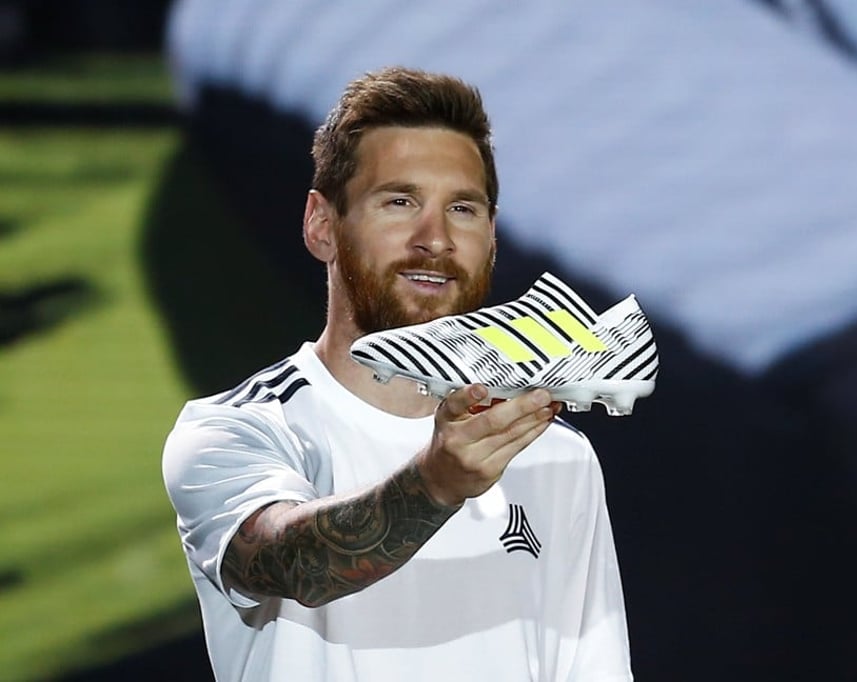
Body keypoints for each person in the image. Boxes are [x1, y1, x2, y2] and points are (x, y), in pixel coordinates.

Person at [162, 66, 633, 681]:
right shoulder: (236, 430)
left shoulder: (556, 457)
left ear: (491, 238)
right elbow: (289, 562)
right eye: (400, 201)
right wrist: (435, 483)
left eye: (462, 208)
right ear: (322, 225)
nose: (434, 238)